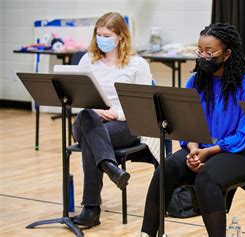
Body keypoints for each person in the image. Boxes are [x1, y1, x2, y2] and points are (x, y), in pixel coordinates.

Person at [141, 22, 245, 237]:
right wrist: (194, 148)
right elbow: (187, 125)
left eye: (209, 52)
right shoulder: (194, 81)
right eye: (200, 51)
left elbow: (243, 136)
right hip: (198, 147)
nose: (202, 56)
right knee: (164, 169)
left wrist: (207, 152)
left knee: (206, 177)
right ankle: (147, 234)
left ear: (226, 54)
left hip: (238, 153)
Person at [72, 12, 160, 227]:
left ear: (121, 36)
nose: (101, 38)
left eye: (107, 35)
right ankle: (110, 166)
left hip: (123, 123)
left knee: (91, 142)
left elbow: (143, 105)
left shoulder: (137, 64)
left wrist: (115, 113)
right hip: (88, 119)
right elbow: (76, 97)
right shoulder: (87, 60)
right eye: (98, 34)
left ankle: (91, 209)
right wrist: (95, 109)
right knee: (86, 114)